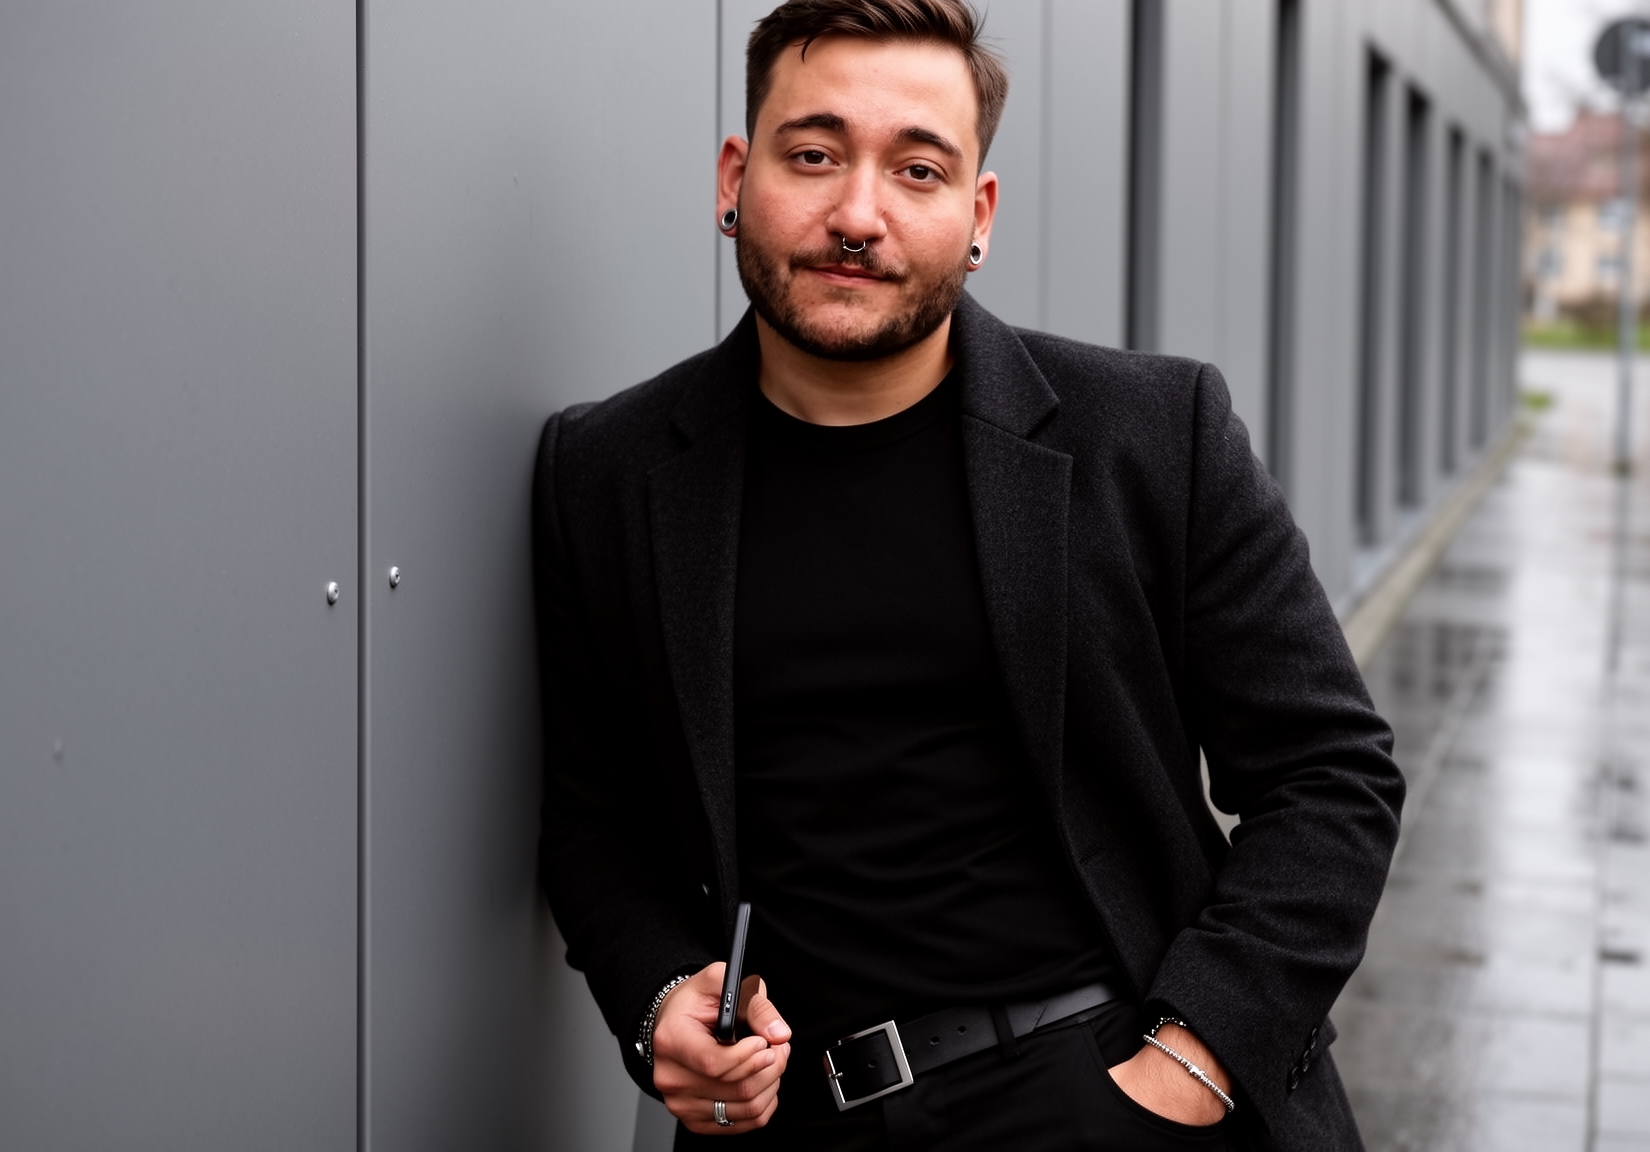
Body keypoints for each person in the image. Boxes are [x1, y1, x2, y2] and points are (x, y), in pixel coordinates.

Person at [533, 2, 1402, 1148]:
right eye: (813, 155)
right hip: (791, 1119)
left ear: (977, 214)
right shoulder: (606, 471)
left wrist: (1189, 1063)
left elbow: (1330, 773)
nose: (858, 215)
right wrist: (656, 1003)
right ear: (734, 180)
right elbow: (591, 820)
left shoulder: (1151, 434)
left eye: (917, 170)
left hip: (1105, 1082)